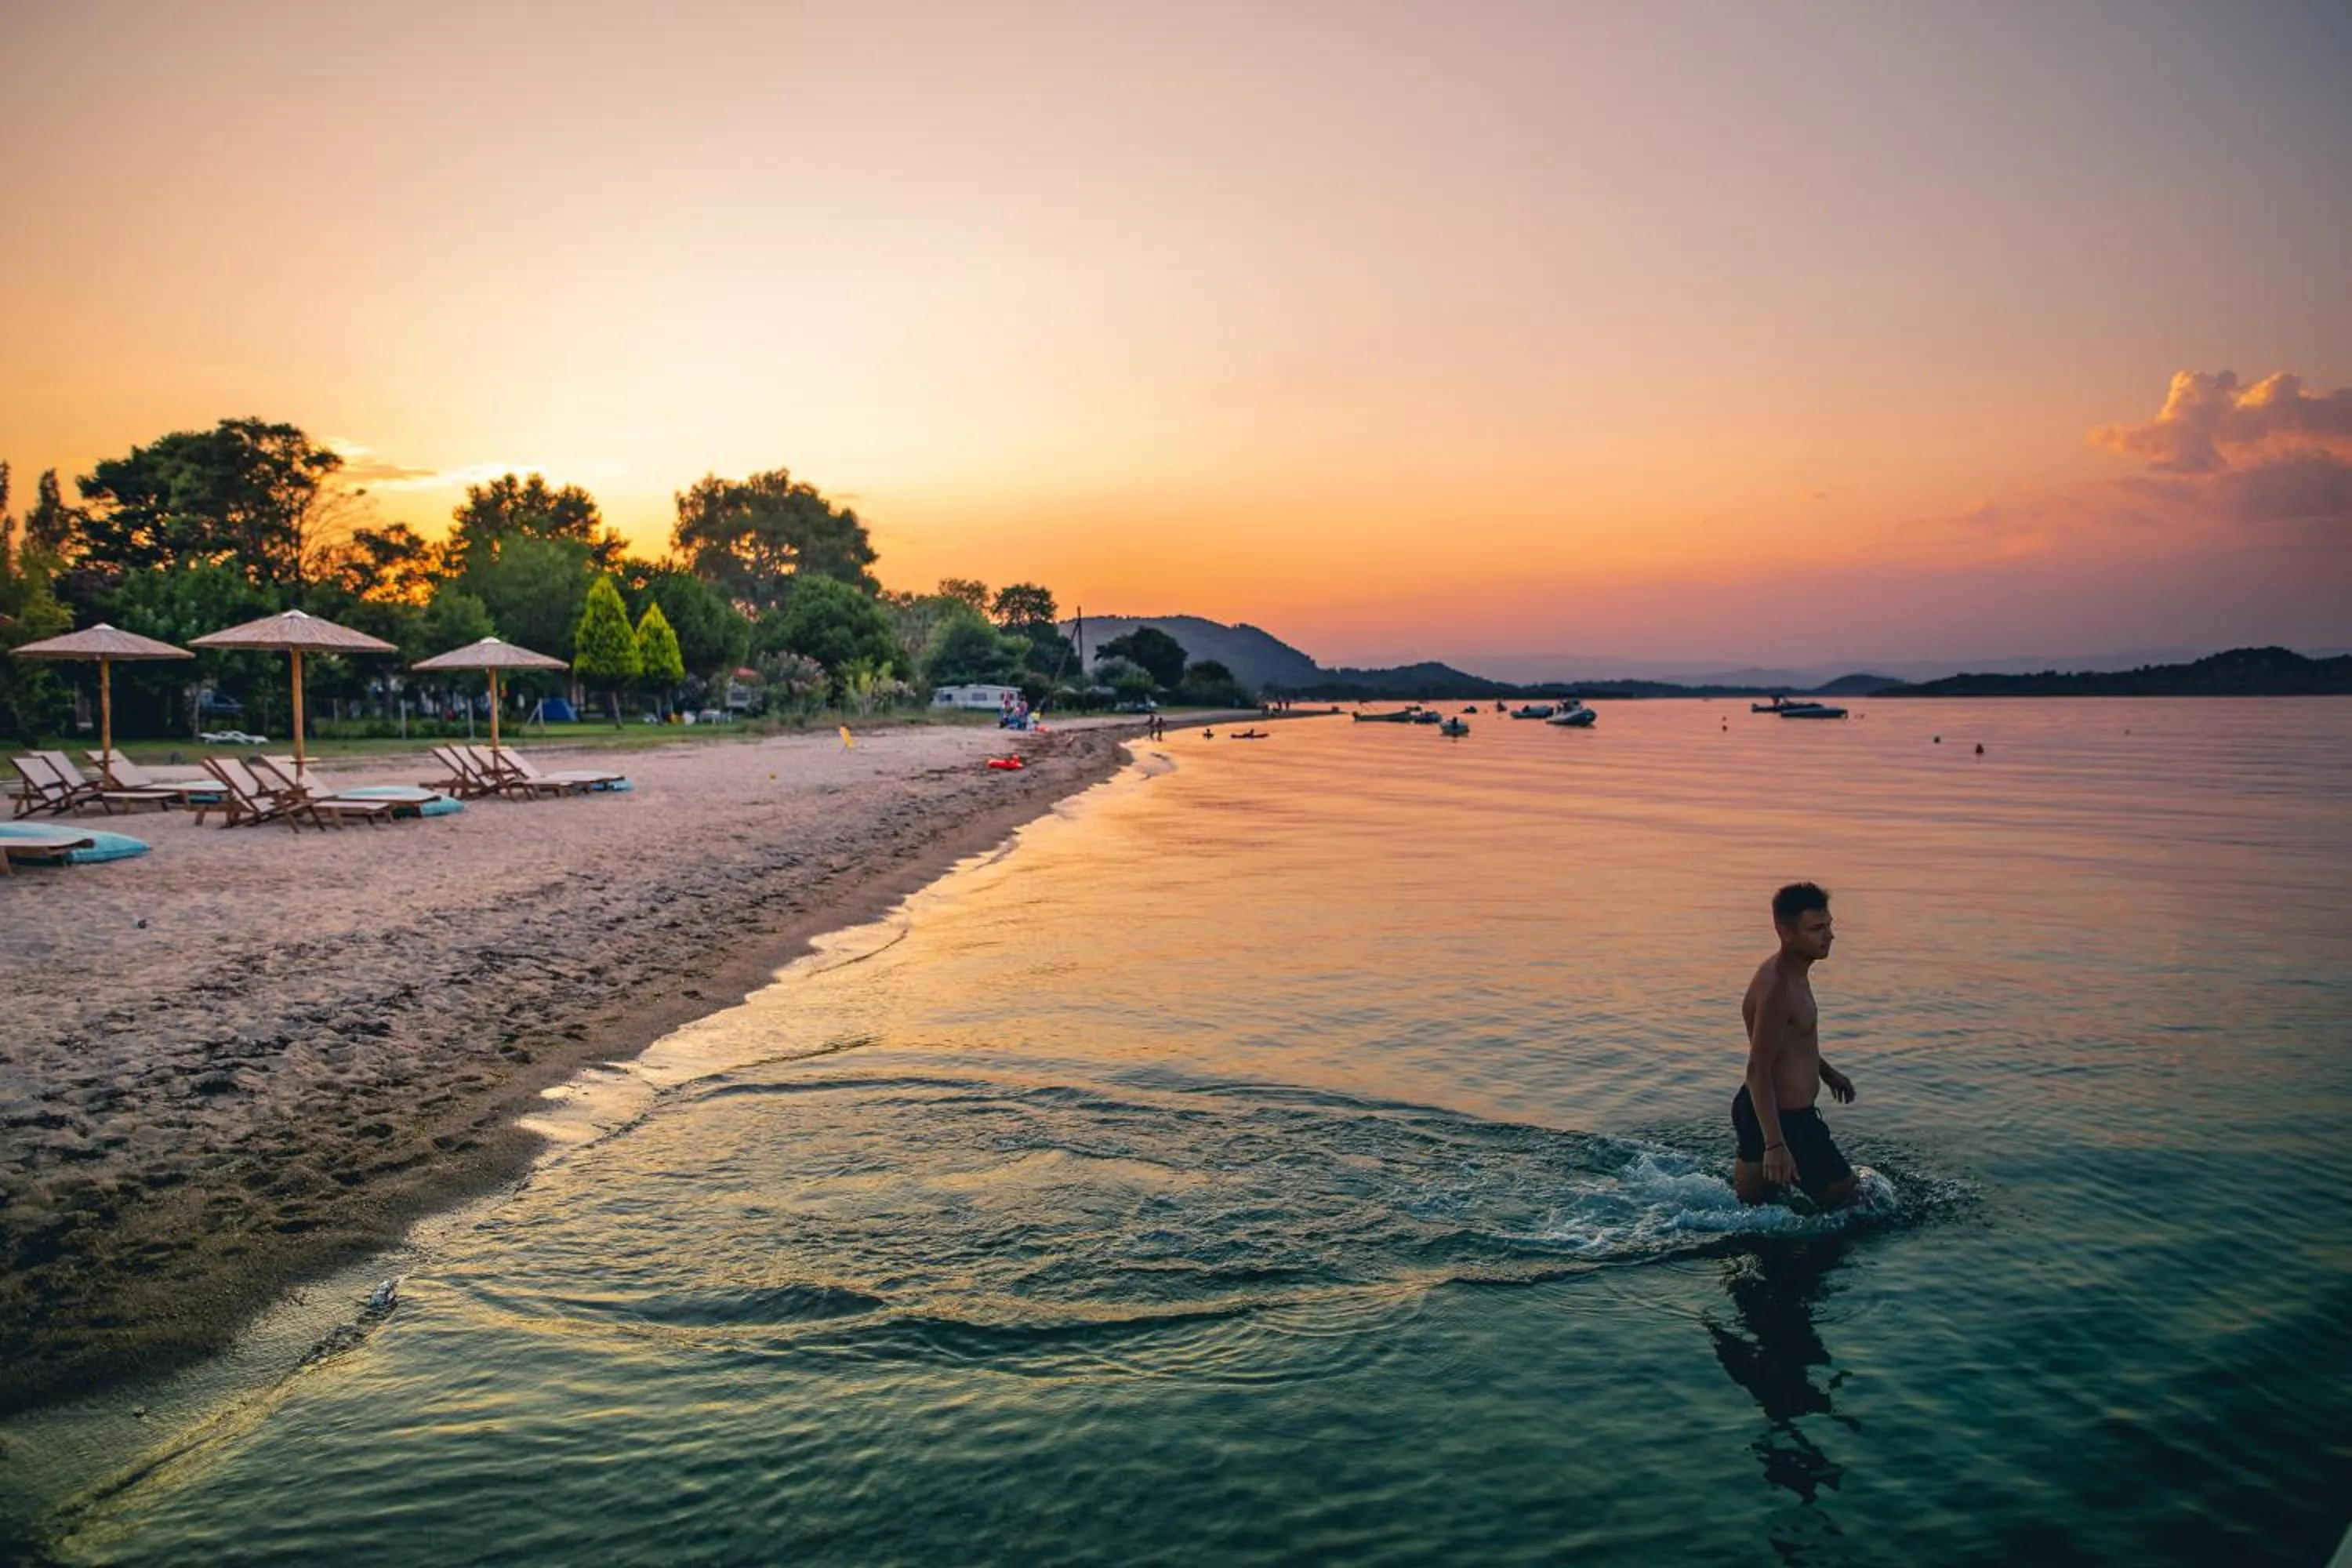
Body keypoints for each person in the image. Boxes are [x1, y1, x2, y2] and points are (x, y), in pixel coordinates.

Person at [1733, 882, 1860, 1210]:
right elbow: (1757, 1067)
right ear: (1786, 933)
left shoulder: (1793, 974)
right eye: (1817, 929)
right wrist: (1776, 1144)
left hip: (1759, 1111)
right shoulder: (1779, 988)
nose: (1829, 936)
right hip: (1786, 1120)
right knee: (1849, 1200)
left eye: (1829, 926)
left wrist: (1828, 1073)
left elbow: (1791, 1044)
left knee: (1753, 1212)